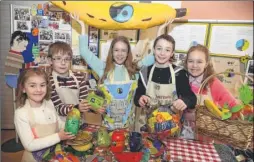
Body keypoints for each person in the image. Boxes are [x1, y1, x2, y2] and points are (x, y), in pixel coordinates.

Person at [71, 13, 171, 130]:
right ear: (111, 52)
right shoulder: (103, 68)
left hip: (128, 128)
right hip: (107, 128)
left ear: (128, 53)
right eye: (116, 50)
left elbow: (155, 56)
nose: (120, 54)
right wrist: (82, 25)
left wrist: (160, 31)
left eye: (123, 50)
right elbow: (84, 51)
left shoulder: (135, 69)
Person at [134, 34, 197, 134]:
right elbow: (137, 96)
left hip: (171, 129)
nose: (162, 53)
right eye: (159, 48)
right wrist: (140, 99)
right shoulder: (145, 72)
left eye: (167, 50)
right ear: (153, 50)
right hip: (148, 128)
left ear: (172, 53)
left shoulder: (179, 73)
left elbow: (192, 98)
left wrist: (185, 101)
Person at [14, 68, 75, 162]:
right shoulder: (21, 113)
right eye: (32, 86)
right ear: (23, 88)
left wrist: (68, 128)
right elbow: (29, 145)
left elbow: (58, 123)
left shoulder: (49, 102)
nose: (38, 89)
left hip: (54, 156)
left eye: (42, 85)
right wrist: (59, 136)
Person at [181, 44, 239, 139]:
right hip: (180, 132)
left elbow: (234, 106)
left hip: (204, 136)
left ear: (206, 63)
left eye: (199, 62)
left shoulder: (213, 83)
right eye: (191, 61)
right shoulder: (181, 79)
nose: (194, 65)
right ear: (186, 62)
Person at [48, 41, 105, 122]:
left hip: (78, 123)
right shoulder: (49, 82)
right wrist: (77, 107)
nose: (63, 63)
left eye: (67, 59)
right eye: (58, 58)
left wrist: (95, 108)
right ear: (50, 60)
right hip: (59, 125)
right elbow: (58, 108)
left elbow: (85, 101)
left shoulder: (79, 77)